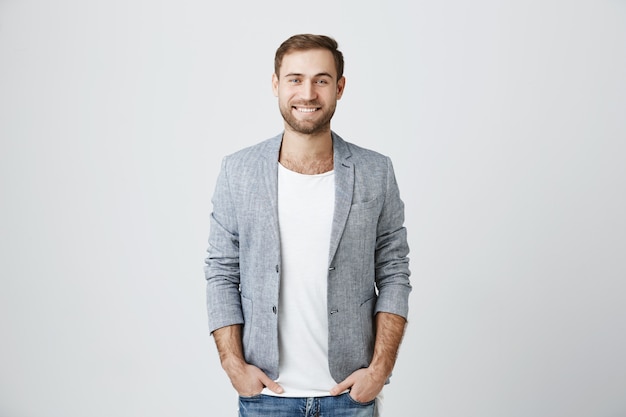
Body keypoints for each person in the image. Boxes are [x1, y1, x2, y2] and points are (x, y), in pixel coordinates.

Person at [204, 34, 411, 417]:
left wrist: (379, 370)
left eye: (321, 79)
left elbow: (394, 272)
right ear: (276, 85)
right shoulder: (238, 171)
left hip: (350, 396)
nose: (308, 93)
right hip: (266, 397)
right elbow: (220, 271)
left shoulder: (375, 171)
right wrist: (233, 365)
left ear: (340, 87)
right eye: (295, 79)